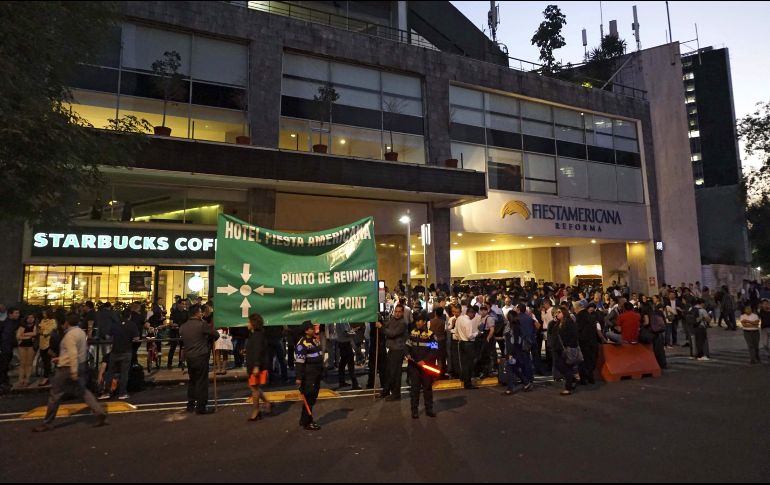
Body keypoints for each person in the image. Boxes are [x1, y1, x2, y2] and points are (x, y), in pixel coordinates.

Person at [33, 312, 107, 432]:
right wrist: (63, 359)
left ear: (67, 322)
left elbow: (72, 353)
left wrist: (72, 370)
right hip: (80, 364)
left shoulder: (70, 335)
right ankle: (99, 412)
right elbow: (79, 351)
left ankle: (47, 422)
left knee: (55, 395)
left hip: (67, 367)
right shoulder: (81, 332)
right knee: (83, 391)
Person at [179, 304, 219, 414]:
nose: (202, 314)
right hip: (201, 355)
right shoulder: (202, 325)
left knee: (192, 381)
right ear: (196, 313)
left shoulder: (183, 326)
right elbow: (216, 334)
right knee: (202, 381)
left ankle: (190, 405)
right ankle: (201, 407)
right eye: (200, 312)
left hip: (189, 356)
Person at [406, 312, 438, 419]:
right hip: (414, 365)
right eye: (416, 321)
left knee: (427, 388)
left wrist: (425, 361)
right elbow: (407, 345)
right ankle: (414, 410)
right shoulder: (413, 333)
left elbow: (434, 350)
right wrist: (407, 354)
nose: (417, 323)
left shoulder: (431, 334)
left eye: (419, 321)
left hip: (425, 366)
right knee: (414, 389)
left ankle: (429, 409)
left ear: (424, 322)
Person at [102, 309, 140, 400]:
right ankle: (122, 393)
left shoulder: (115, 324)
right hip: (126, 351)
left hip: (115, 351)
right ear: (129, 316)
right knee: (124, 373)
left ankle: (107, 392)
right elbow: (136, 338)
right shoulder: (132, 325)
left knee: (110, 372)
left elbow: (107, 336)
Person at [295, 321, 323, 431]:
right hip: (309, 375)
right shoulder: (302, 344)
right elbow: (299, 363)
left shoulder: (314, 340)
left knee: (312, 397)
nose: (314, 330)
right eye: (311, 328)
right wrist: (298, 378)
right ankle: (308, 422)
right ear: (306, 331)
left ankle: (303, 420)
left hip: (316, 373)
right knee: (309, 398)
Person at [377, 304, 408, 400]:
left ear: (402, 312)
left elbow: (392, 333)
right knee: (389, 372)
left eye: (399, 312)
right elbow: (386, 325)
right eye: (396, 311)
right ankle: (386, 391)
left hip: (398, 350)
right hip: (391, 349)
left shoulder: (403, 323)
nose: (397, 313)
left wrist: (381, 327)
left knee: (395, 373)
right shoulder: (392, 319)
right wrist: (380, 319)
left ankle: (396, 394)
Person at [245, 313, 271, 421]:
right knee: (254, 387)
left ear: (253, 323)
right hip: (254, 365)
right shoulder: (256, 335)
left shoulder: (257, 336)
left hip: (256, 366)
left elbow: (258, 351)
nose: (247, 324)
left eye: (248, 322)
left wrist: (256, 366)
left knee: (254, 388)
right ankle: (267, 402)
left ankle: (256, 411)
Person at [553, 306, 579, 396]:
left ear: (564, 313)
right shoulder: (558, 323)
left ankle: (568, 388)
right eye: (557, 312)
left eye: (559, 312)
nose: (557, 314)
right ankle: (572, 380)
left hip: (567, 348)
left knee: (565, 366)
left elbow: (574, 336)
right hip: (560, 349)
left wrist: (568, 345)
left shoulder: (569, 322)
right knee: (560, 365)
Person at [15, 313, 38, 388]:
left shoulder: (35, 326)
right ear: (26, 319)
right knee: (22, 363)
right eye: (29, 317)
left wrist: (24, 334)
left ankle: (27, 379)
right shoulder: (22, 326)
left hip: (31, 346)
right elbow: (18, 336)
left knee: (29, 363)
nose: (30, 319)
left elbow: (35, 333)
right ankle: (20, 379)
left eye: (32, 317)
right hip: (22, 346)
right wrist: (28, 336)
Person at [0, 308, 20, 393]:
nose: (18, 314)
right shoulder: (5, 323)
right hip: (5, 348)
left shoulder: (15, 323)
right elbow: (5, 336)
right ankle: (3, 384)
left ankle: (5, 383)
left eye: (18, 313)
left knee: (5, 366)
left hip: (9, 348)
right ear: (10, 314)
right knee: (3, 367)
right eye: (16, 313)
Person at [37, 309, 57, 386]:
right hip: (42, 343)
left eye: (45, 313)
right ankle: (46, 376)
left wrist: (42, 332)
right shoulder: (42, 321)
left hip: (49, 343)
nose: (43, 315)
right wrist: (42, 331)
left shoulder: (52, 321)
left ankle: (46, 378)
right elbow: (39, 330)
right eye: (43, 313)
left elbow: (48, 331)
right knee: (44, 361)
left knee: (47, 361)